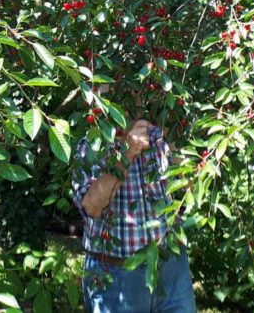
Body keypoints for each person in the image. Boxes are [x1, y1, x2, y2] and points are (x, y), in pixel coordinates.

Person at [71, 114, 196, 312]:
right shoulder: (93, 144)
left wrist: (177, 152)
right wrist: (128, 154)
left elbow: (192, 186)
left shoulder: (159, 135)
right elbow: (91, 207)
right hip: (117, 275)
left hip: (172, 268)